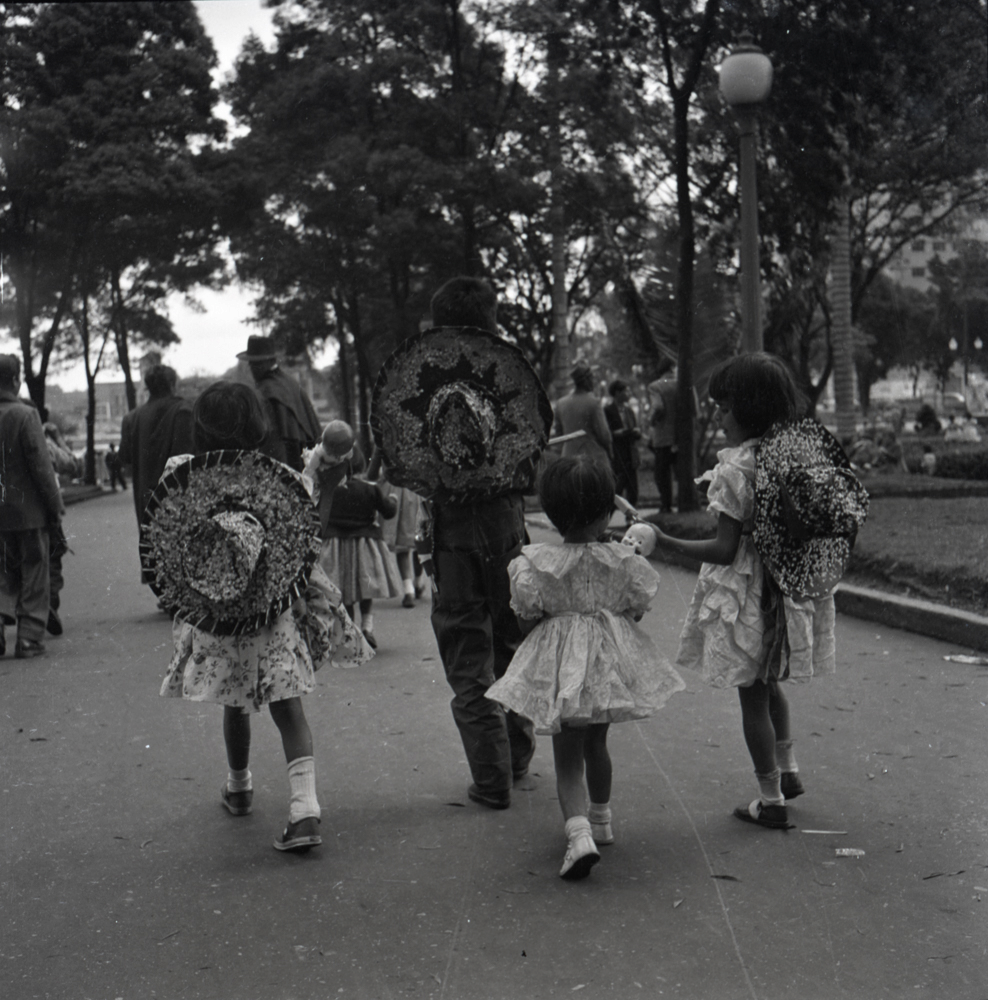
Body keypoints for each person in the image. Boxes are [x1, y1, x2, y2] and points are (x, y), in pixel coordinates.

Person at [626, 353, 867, 830]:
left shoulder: (737, 468)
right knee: (770, 680)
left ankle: (770, 798)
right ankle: (789, 770)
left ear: (749, 408)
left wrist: (664, 539)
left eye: (724, 406)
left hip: (751, 589)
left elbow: (723, 547)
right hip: (788, 582)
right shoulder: (796, 455)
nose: (718, 415)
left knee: (751, 694)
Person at [147, 381, 372, 853]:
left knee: (233, 699)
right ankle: (304, 809)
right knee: (288, 705)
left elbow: (167, 533)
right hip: (273, 612)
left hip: (217, 610)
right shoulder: (278, 477)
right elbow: (308, 540)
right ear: (258, 425)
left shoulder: (180, 472)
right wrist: (325, 485)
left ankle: (239, 786)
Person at [370, 276, 553, 810]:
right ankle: (516, 758)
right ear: (492, 318)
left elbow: (401, 467)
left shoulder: (423, 381)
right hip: (508, 528)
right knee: (511, 643)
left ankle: (492, 777)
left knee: (467, 651)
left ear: (439, 321)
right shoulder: (513, 377)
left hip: (453, 534)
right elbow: (533, 462)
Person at [486, 457, 685, 879]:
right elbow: (636, 610)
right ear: (606, 511)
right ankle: (601, 820)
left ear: (553, 514)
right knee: (598, 744)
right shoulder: (622, 560)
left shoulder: (535, 563)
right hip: (605, 668)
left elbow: (524, 620)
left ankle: (578, 838)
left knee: (567, 757)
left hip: (563, 672)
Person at [308, 420, 402, 650]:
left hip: (335, 545)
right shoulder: (369, 488)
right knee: (364, 589)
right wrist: (394, 501)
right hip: (365, 544)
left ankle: (351, 632)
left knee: (344, 592)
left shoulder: (329, 491)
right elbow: (388, 512)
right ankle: (368, 626)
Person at [0, 355, 65, 658]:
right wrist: (55, 505)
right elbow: (41, 466)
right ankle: (28, 638)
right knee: (34, 570)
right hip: (27, 512)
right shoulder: (25, 415)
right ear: (15, 380)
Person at [118, 364, 195, 534]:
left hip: (146, 503)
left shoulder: (131, 418)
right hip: (179, 502)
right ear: (172, 384)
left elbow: (124, 457)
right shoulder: (185, 411)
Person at [238, 336, 322, 473]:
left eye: (255, 363)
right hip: (306, 463)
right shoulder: (291, 384)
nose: (252, 368)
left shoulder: (266, 391)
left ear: (268, 362)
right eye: (251, 363)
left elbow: (272, 441)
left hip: (285, 463)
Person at [42, 420, 81, 638]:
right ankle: (49, 604)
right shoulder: (44, 444)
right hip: (42, 513)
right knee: (52, 559)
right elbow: (73, 464)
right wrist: (57, 438)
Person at [552, 361, 612, 467]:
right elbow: (604, 435)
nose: (593, 382)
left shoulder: (561, 403)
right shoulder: (594, 402)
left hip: (568, 460)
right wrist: (610, 452)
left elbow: (558, 434)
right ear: (587, 380)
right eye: (592, 378)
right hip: (592, 460)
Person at [603, 379, 642, 506]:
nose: (629, 393)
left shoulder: (629, 411)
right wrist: (626, 432)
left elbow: (635, 429)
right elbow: (609, 432)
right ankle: (609, 512)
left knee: (633, 487)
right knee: (618, 485)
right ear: (617, 393)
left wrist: (635, 432)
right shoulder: (608, 410)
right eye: (626, 391)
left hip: (631, 452)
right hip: (618, 453)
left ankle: (631, 517)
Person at [647, 363, 678, 512]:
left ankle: (666, 504)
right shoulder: (684, 383)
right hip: (682, 437)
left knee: (661, 473)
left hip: (662, 437)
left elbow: (658, 407)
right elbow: (695, 409)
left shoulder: (656, 386)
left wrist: (651, 421)